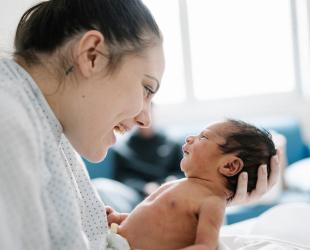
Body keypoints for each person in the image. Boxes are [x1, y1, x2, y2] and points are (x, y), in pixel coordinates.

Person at [0, 0, 279, 249]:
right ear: (92, 56)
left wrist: (221, 193)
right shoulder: (10, 122)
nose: (145, 118)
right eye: (147, 88)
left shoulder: (48, 125)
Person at [106, 119, 277, 250]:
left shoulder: (212, 202)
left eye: (203, 136)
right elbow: (152, 221)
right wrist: (120, 218)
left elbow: (205, 246)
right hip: (116, 239)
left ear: (229, 166)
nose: (190, 137)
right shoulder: (183, 184)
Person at [113, 118, 184, 200]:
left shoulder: (172, 144)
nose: (144, 119)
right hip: (139, 195)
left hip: (170, 191)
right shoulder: (123, 149)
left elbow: (183, 171)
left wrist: (173, 179)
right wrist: (144, 187)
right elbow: (122, 177)